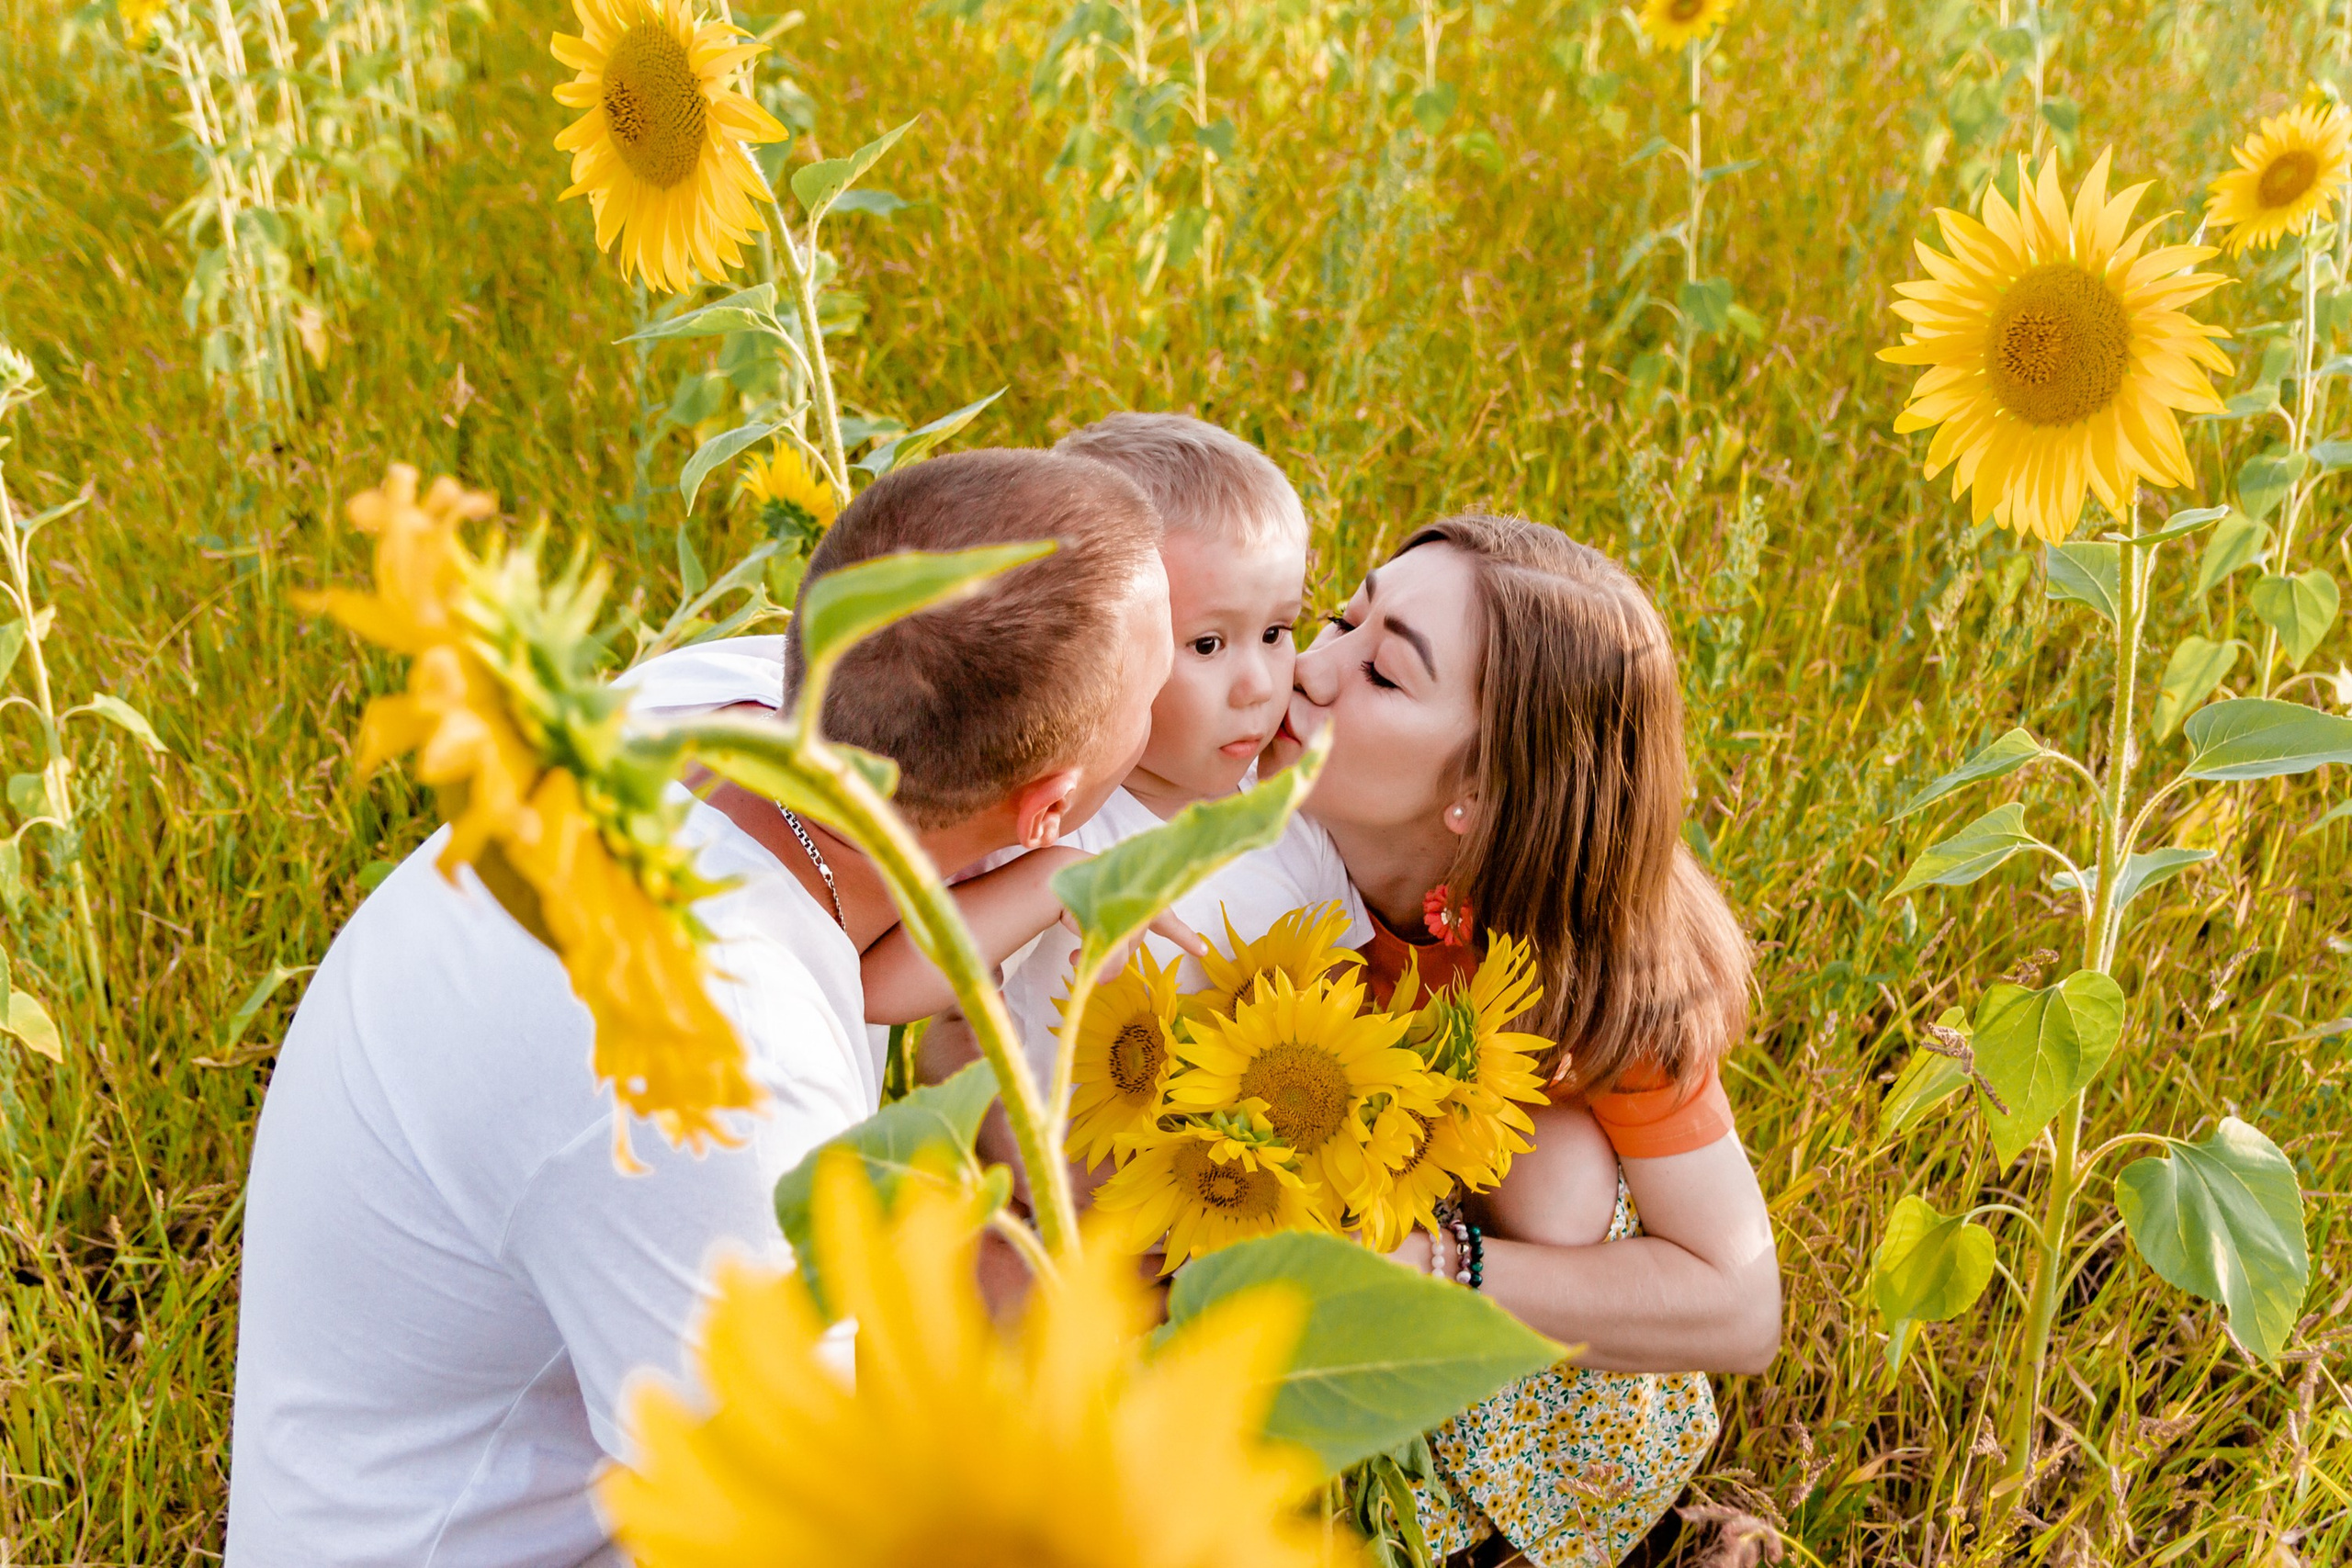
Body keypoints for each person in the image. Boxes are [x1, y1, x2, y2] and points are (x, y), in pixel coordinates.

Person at [224, 448, 1170, 1568]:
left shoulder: (720, 705)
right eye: (1161, 693)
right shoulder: (712, 1068)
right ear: (1048, 802)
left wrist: (1047, 874)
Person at [1263, 513, 1780, 1566]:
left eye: (1385, 675)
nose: (1310, 670)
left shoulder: (1593, 956)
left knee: (1559, 1179)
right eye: (1338, 620)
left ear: (1480, 793)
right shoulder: (1230, 807)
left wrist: (1432, 1268)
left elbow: (1737, 1303)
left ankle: (1570, 1538)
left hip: (1489, 1345)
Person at [861, 413, 1368, 1091]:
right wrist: (1051, 883)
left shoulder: (1296, 816)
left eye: (1278, 631)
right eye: (1208, 644)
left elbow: (1349, 1004)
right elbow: (885, 987)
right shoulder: (1055, 821)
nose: (1258, 684)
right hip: (1056, 1168)